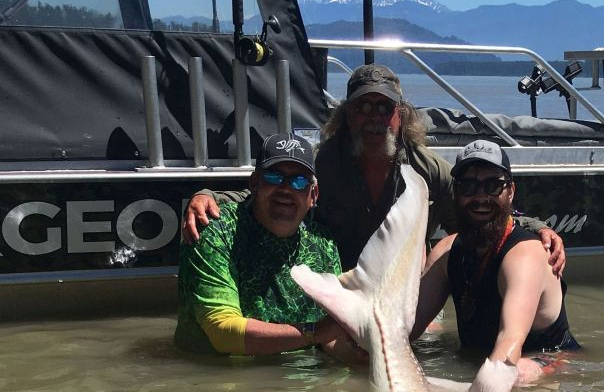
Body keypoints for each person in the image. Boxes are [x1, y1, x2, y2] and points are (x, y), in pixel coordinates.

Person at [181, 63, 565, 276]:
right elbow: (271, 195)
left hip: (407, 297)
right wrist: (208, 196)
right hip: (341, 290)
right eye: (363, 107)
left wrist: (538, 228)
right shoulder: (323, 163)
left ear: (400, 115)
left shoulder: (426, 169)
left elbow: (477, 213)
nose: (373, 117)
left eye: (384, 107)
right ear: (346, 115)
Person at [174, 134, 362, 360]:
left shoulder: (322, 243)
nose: (286, 188)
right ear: (255, 183)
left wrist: (357, 356)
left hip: (297, 382)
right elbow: (222, 332)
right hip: (214, 381)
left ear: (313, 195)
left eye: (299, 181)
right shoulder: (214, 231)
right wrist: (315, 333)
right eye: (274, 177)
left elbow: (329, 335)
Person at [413, 140, 580, 386]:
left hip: (550, 359)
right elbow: (406, 326)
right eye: (468, 186)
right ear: (456, 193)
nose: (480, 197)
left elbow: (509, 341)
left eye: (493, 186)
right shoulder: (447, 251)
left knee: (516, 373)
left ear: (510, 191)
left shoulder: (524, 255)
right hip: (478, 358)